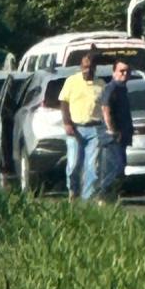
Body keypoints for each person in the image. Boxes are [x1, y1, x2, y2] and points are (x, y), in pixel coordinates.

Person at [59, 52, 106, 202]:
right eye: (85, 67)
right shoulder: (71, 81)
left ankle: (87, 198)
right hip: (75, 129)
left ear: (95, 68)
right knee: (73, 164)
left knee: (92, 167)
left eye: (91, 67)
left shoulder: (101, 85)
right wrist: (67, 123)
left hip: (95, 129)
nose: (88, 70)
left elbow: (106, 108)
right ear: (81, 67)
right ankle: (72, 191)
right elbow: (64, 103)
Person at [99, 59, 134, 201]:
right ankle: (104, 196)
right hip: (112, 137)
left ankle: (112, 197)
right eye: (121, 71)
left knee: (120, 168)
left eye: (127, 71)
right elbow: (105, 108)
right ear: (114, 72)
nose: (124, 74)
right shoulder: (111, 88)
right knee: (115, 167)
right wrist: (112, 130)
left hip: (122, 135)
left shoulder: (122, 89)